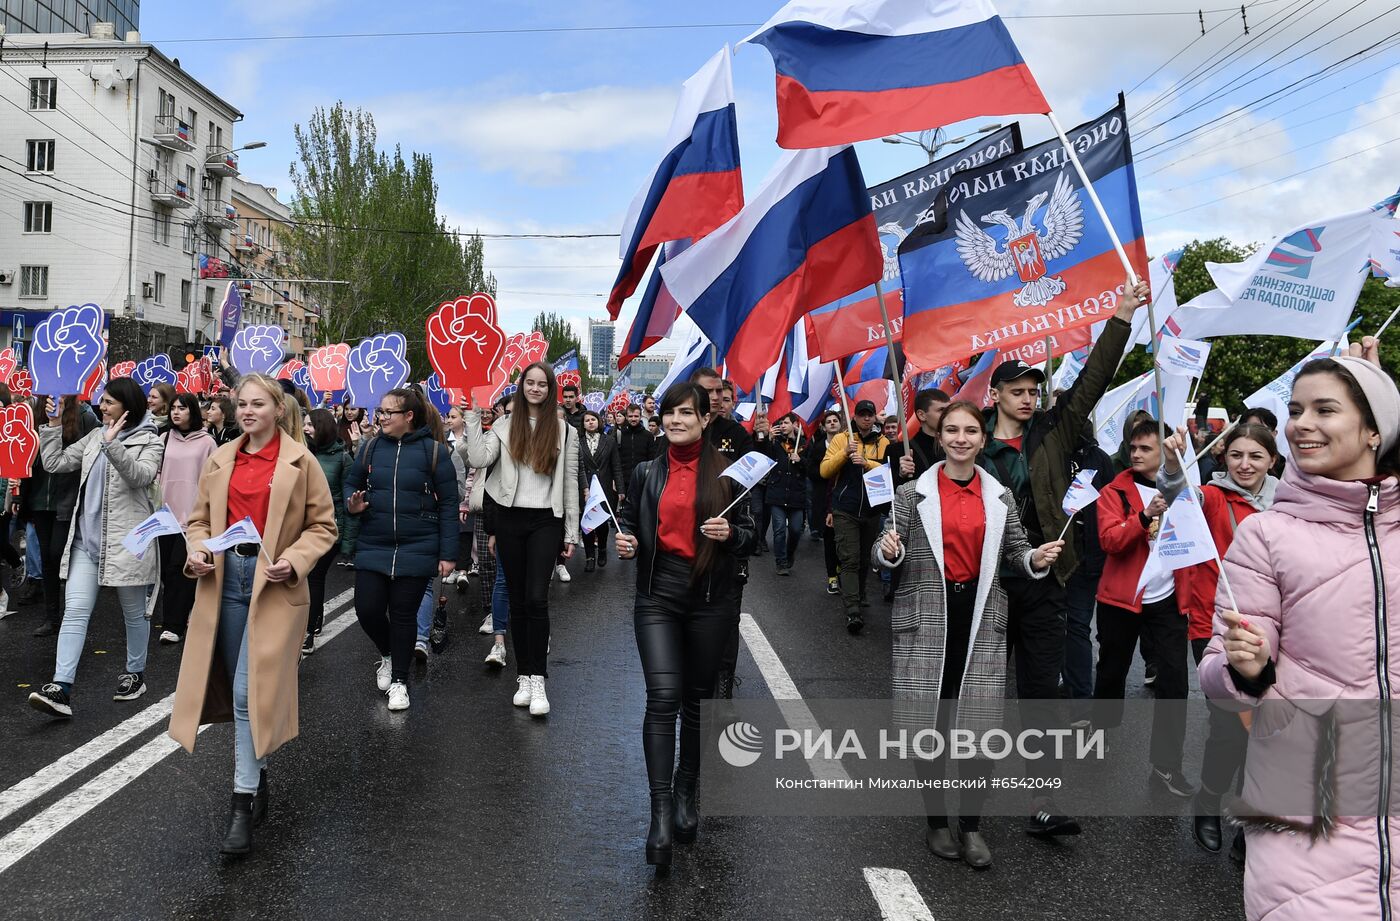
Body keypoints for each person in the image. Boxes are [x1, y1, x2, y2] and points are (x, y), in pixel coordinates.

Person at [1200, 346, 1400, 921]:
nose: (1301, 425)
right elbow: (1216, 672)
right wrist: (1248, 667)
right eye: (1295, 409)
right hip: (1309, 819)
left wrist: (1378, 382)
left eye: (1325, 409)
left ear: (1373, 431)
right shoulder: (1267, 535)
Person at [976, 275, 1150, 838]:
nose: (1029, 398)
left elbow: (1095, 379)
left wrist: (1120, 315)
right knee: (980, 690)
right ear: (996, 395)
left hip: (1047, 579)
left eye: (1034, 390)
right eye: (1018, 390)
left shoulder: (1056, 429)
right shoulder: (970, 441)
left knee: (1041, 694)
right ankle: (963, 799)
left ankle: (1041, 802)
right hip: (988, 582)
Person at [875, 400, 1064, 869]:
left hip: (981, 618)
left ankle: (972, 826)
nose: (961, 438)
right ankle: (937, 822)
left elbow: (1016, 551)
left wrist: (1035, 560)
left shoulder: (1000, 496)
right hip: (926, 620)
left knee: (978, 729)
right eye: (951, 431)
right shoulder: (910, 494)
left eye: (970, 431)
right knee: (931, 727)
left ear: (983, 440)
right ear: (939, 439)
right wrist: (889, 549)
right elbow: (888, 553)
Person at [167, 372, 337, 855]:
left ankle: (239, 807)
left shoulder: (302, 462)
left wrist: (296, 560)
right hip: (225, 584)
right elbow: (199, 519)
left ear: (278, 410)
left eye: (257, 404)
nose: (246, 411)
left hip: (275, 589)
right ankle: (257, 777)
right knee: (243, 693)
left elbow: (324, 527)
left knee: (247, 693)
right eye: (241, 403)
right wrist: (198, 550)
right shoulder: (222, 457)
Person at [615, 381, 757, 869]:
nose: (675, 420)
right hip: (657, 595)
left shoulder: (729, 474)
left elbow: (751, 534)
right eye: (668, 413)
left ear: (703, 419)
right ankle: (658, 814)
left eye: (685, 413)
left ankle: (687, 788)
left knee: (697, 701)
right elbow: (630, 520)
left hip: (711, 597)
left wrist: (732, 533)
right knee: (662, 698)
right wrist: (627, 540)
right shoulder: (644, 471)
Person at [1158, 422, 1279, 862]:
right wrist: (1172, 464)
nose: (1245, 465)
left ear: (1273, 460)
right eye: (1236, 456)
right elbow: (1175, 495)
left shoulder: (1288, 503)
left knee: (1268, 732)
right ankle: (1208, 800)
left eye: (1255, 457)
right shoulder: (1210, 497)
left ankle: (1251, 819)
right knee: (1230, 727)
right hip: (1217, 630)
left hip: (1275, 633)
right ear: (1223, 458)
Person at [27, 378, 165, 717]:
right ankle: (60, 688)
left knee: (133, 614)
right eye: (101, 401)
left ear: (127, 406)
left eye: (108, 402)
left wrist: (112, 444)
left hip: (127, 545)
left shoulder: (150, 440)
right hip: (86, 543)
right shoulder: (93, 436)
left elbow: (139, 476)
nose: (101, 407)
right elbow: (56, 463)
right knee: (75, 612)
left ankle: (135, 673)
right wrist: (53, 425)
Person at [464, 361, 580, 717]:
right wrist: (473, 416)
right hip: (511, 519)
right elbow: (478, 457)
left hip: (547, 520)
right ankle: (524, 676)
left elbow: (570, 482)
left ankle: (539, 679)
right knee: (516, 599)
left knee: (536, 598)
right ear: (521, 387)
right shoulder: (502, 425)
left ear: (550, 390)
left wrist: (571, 531)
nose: (535, 389)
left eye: (542, 384)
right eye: (529, 383)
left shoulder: (564, 431)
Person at [1093, 417, 1194, 797]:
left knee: (1175, 683)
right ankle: (1100, 734)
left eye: (1145, 448)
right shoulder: (1114, 491)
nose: (1136, 454)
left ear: (1167, 451)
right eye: (1133, 448)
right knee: (1112, 669)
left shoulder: (1184, 488)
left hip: (1168, 600)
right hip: (1122, 598)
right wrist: (1143, 516)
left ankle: (1166, 767)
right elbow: (1110, 541)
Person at [345, 388, 459, 712]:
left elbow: (449, 503)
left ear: (408, 416)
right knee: (367, 609)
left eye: (387, 413)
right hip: (373, 543)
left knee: (404, 614)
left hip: (418, 545)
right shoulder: (370, 449)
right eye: (379, 411)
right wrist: (353, 503)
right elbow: (351, 484)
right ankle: (387, 652)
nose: (380, 417)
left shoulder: (434, 452)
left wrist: (448, 553)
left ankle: (399, 681)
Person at [690, 367, 754, 699]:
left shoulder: (736, 433)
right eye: (709, 392)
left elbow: (751, 482)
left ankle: (725, 677)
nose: (716, 398)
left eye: (719, 392)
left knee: (728, 617)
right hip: (688, 544)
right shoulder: (682, 431)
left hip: (727, 539)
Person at [21, 395, 97, 637]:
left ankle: (75, 612)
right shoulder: (34, 415)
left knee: (59, 553)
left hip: (68, 500)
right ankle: (52, 617)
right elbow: (23, 454)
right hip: (40, 498)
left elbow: (93, 452)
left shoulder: (84, 416)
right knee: (47, 559)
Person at [820, 399, 890, 634]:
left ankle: (858, 594)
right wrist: (844, 453)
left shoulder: (884, 443)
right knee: (849, 559)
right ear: (855, 417)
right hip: (846, 510)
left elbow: (890, 474)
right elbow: (825, 470)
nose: (866, 418)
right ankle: (852, 610)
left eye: (870, 414)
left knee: (863, 559)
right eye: (862, 414)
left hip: (871, 510)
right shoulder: (843, 438)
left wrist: (867, 463)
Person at [156, 393, 218, 645]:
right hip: (165, 515)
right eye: (173, 408)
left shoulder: (207, 443)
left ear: (193, 411)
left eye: (182, 408)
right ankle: (182, 612)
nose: (176, 412)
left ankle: (174, 625)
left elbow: (213, 478)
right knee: (165, 572)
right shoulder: (163, 437)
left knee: (180, 569)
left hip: (193, 517)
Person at [303, 409, 351, 656]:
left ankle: (308, 631)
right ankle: (316, 619)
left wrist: (348, 543)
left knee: (313, 575)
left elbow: (349, 502)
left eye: (310, 424)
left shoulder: (343, 459)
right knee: (309, 576)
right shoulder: (301, 454)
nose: (305, 428)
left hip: (329, 527)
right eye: (304, 424)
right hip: (302, 527)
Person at [755, 412, 807, 575]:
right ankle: (781, 562)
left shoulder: (803, 444)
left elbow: (812, 467)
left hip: (796, 495)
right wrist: (768, 440)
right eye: (781, 423)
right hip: (776, 493)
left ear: (794, 424)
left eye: (786, 422)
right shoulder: (775, 442)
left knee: (796, 530)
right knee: (779, 530)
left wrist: (801, 461)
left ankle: (789, 553)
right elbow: (763, 457)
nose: (783, 426)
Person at [578, 410, 622, 572]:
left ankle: (602, 548)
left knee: (602, 523)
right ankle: (590, 557)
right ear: (583, 424)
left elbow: (616, 466)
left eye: (593, 419)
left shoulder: (609, 441)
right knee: (587, 522)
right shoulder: (578, 441)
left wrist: (620, 489)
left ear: (599, 421)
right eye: (587, 420)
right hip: (585, 488)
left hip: (604, 489)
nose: (590, 422)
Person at [805, 410, 843, 594]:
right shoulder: (819, 447)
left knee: (845, 540)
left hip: (844, 497)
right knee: (829, 538)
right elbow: (811, 471)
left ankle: (841, 567)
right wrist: (825, 469)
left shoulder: (849, 443)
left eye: (836, 420)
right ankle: (832, 576)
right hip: (824, 498)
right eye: (829, 421)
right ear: (824, 426)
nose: (833, 423)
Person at [889, 389, 949, 487]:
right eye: (941, 410)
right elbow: (884, 496)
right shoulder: (898, 450)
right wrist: (900, 476)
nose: (948, 415)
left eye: (950, 410)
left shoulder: (956, 447)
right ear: (921, 415)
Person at [616, 404, 658, 502]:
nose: (633, 419)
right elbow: (616, 460)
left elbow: (652, 459)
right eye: (630, 416)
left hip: (642, 481)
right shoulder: (619, 434)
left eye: (636, 416)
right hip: (623, 481)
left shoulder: (648, 436)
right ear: (626, 417)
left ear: (640, 417)